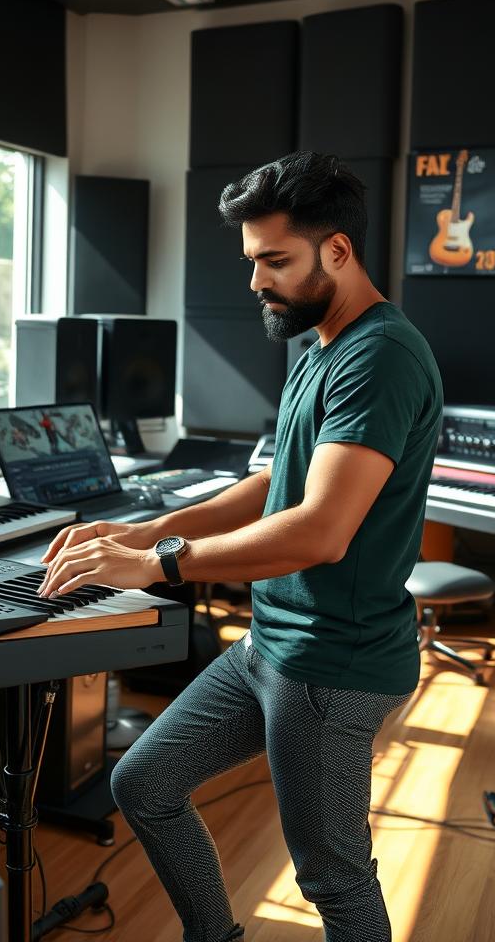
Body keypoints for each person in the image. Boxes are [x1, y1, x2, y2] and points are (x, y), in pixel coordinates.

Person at [39, 152, 444, 942]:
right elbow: (275, 485)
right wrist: (147, 529)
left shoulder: (381, 355)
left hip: (333, 665)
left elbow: (320, 530)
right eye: (251, 260)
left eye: (274, 261)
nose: (256, 281)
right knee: (145, 783)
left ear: (337, 251)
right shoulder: (319, 342)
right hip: (270, 645)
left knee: (333, 877)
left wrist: (156, 566)